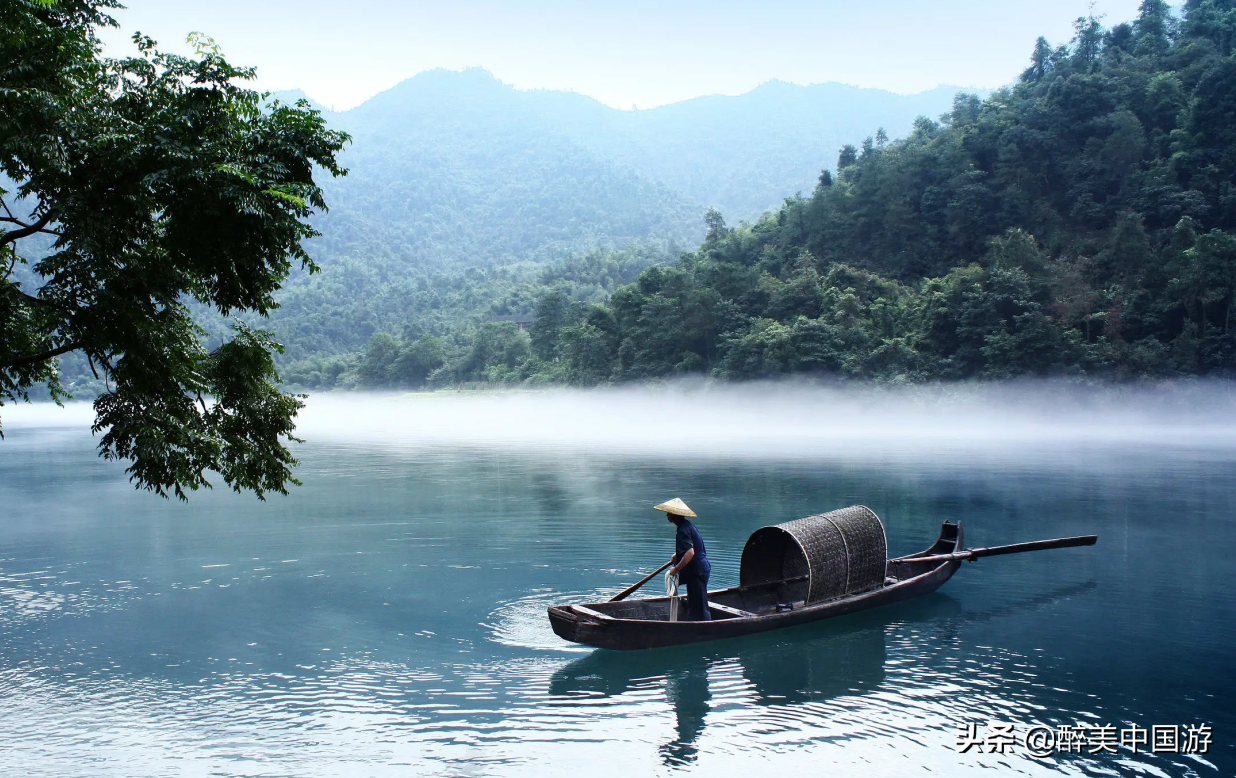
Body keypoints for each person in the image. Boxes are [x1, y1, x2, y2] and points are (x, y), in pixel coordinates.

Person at [656, 498, 711, 621]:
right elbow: (690, 548)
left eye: (669, 513)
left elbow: (690, 552)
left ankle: (705, 628)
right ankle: (695, 624)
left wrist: (676, 568)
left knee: (700, 606)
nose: (667, 515)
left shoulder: (683, 529)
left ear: (676, 515)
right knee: (694, 602)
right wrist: (678, 554)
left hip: (698, 571)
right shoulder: (686, 526)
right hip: (696, 570)